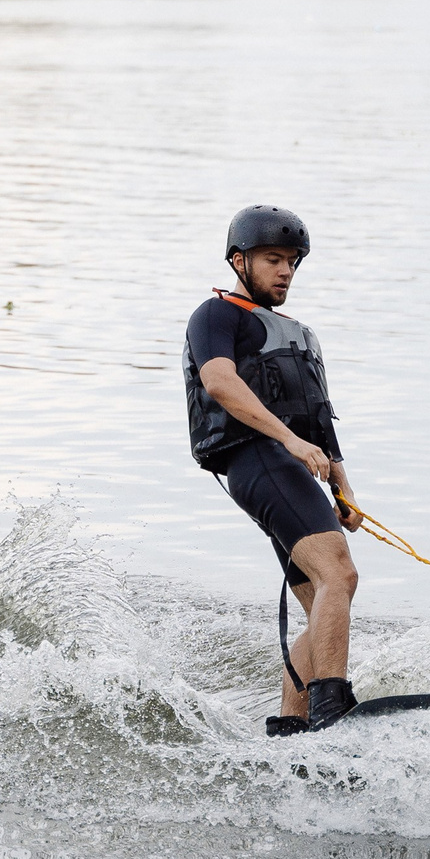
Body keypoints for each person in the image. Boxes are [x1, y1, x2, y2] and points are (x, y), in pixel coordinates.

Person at [183, 206, 364, 734]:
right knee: (339, 573)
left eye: (292, 262)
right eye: (272, 259)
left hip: (292, 467)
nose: (285, 271)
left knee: (323, 598)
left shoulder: (301, 334)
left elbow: (320, 421)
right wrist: (287, 440)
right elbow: (219, 381)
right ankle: (332, 709)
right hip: (256, 457)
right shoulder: (217, 315)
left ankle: (291, 728)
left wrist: (344, 489)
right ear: (239, 261)